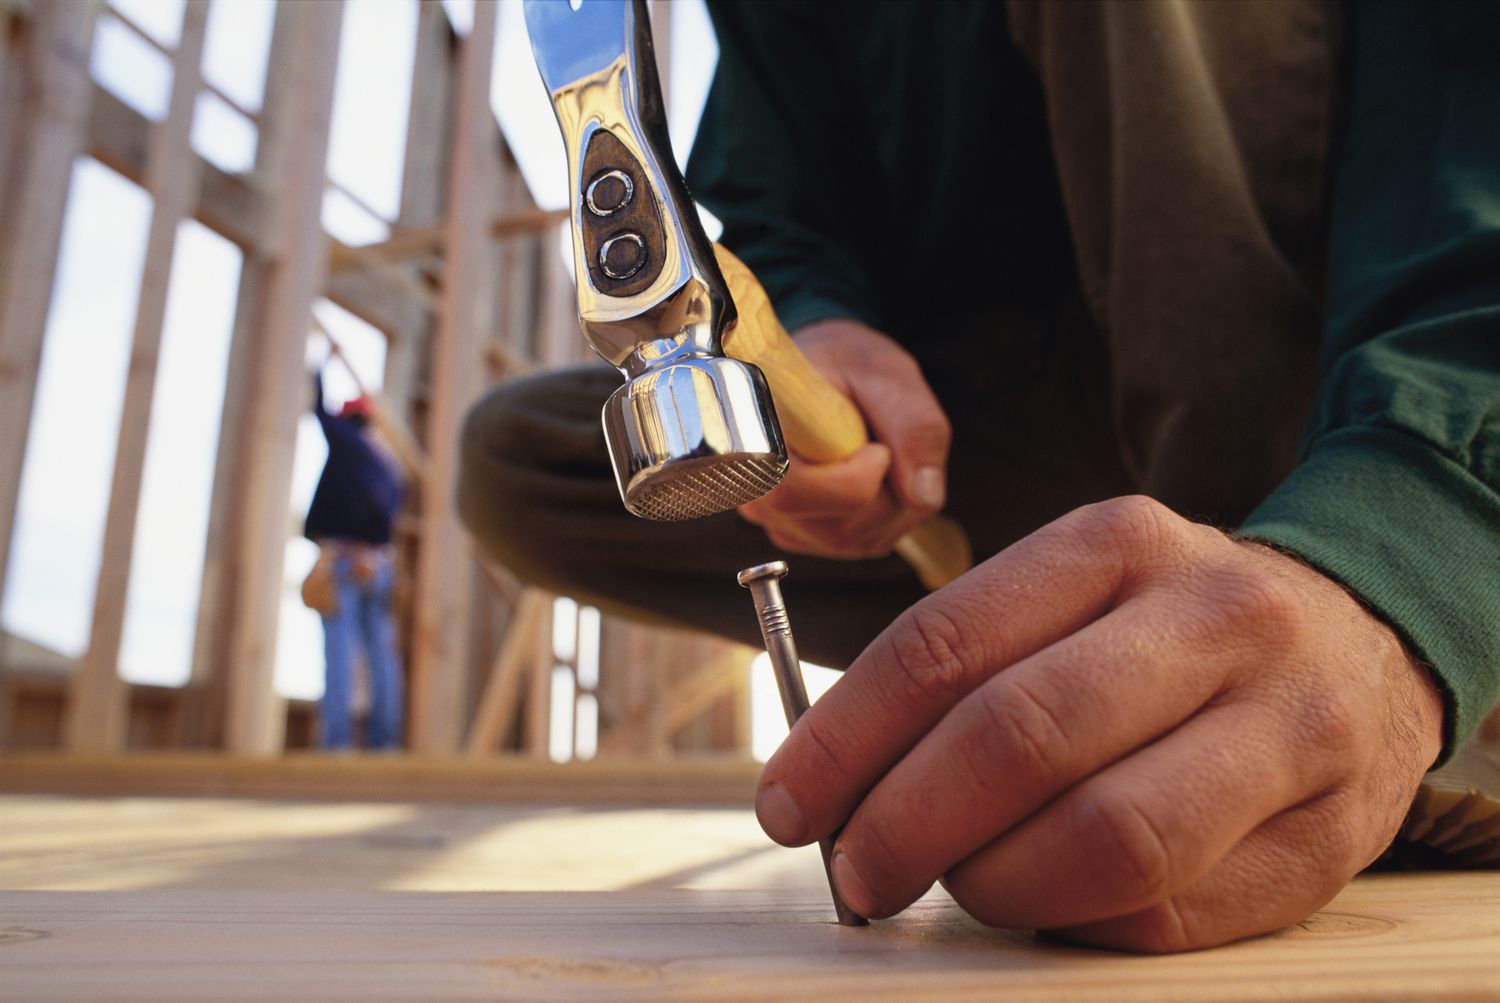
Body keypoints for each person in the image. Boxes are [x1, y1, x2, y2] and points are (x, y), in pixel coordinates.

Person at [458, 1, 1500, 950]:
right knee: (519, 458)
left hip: (1334, 396)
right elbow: (780, 190)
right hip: (1007, 417)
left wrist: (1396, 551)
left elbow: (1467, 165)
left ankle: (1307, 659)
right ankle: (1097, 658)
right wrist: (822, 326)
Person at [305, 372, 406, 751]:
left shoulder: (346, 445)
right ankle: (384, 743)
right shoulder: (388, 470)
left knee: (340, 652)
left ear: (348, 422)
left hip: (344, 562)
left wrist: (320, 370)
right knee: (381, 655)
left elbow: (319, 410)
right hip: (378, 566)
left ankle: (337, 745)